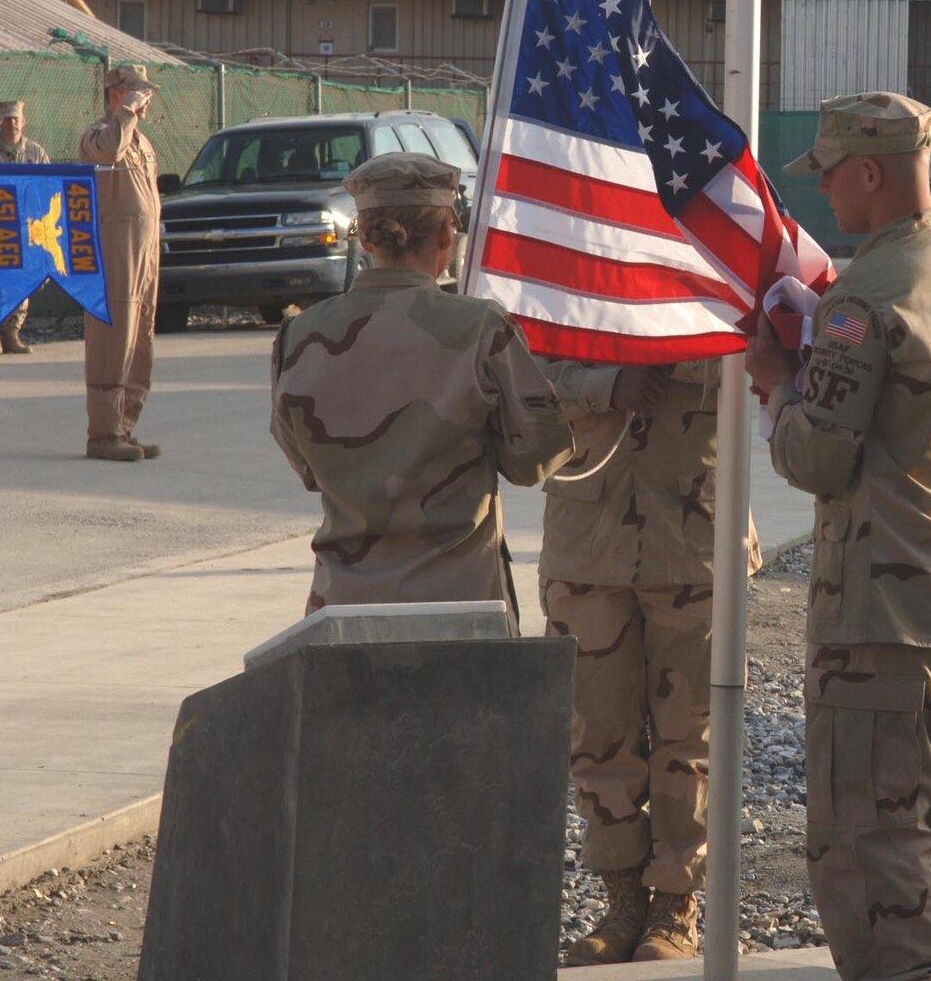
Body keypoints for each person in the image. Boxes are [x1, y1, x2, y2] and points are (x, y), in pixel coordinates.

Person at [747, 92, 931, 981]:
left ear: (871, 170)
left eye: (829, 173)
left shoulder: (870, 294)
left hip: (881, 621)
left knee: (869, 841)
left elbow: (818, 458)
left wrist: (777, 383)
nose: (824, 193)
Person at [269, 151, 573, 620]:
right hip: (463, 604)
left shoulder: (300, 333)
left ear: (366, 238)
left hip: (344, 604)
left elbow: (308, 470)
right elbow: (533, 460)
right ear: (448, 234)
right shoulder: (479, 327)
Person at [541, 356, 752, 965]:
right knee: (599, 736)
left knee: (691, 736)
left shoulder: (709, 266)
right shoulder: (569, 269)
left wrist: (670, 359)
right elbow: (524, 373)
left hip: (694, 535)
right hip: (587, 545)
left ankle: (675, 907)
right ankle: (623, 901)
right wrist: (603, 382)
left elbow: (755, 364)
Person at [78, 66, 164, 458]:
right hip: (115, 251)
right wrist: (125, 113)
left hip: (144, 253)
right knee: (113, 338)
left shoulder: (142, 143)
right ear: (116, 94)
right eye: (136, 94)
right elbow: (110, 150)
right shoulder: (99, 135)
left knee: (140, 339)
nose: (144, 102)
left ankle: (124, 427)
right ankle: (103, 434)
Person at [0, 99, 51, 355]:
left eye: (16, 118)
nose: (12, 123)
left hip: (24, 226)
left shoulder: (35, 153)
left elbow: (47, 187)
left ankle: (11, 333)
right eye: (7, 118)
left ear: (24, 121)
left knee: (22, 280)